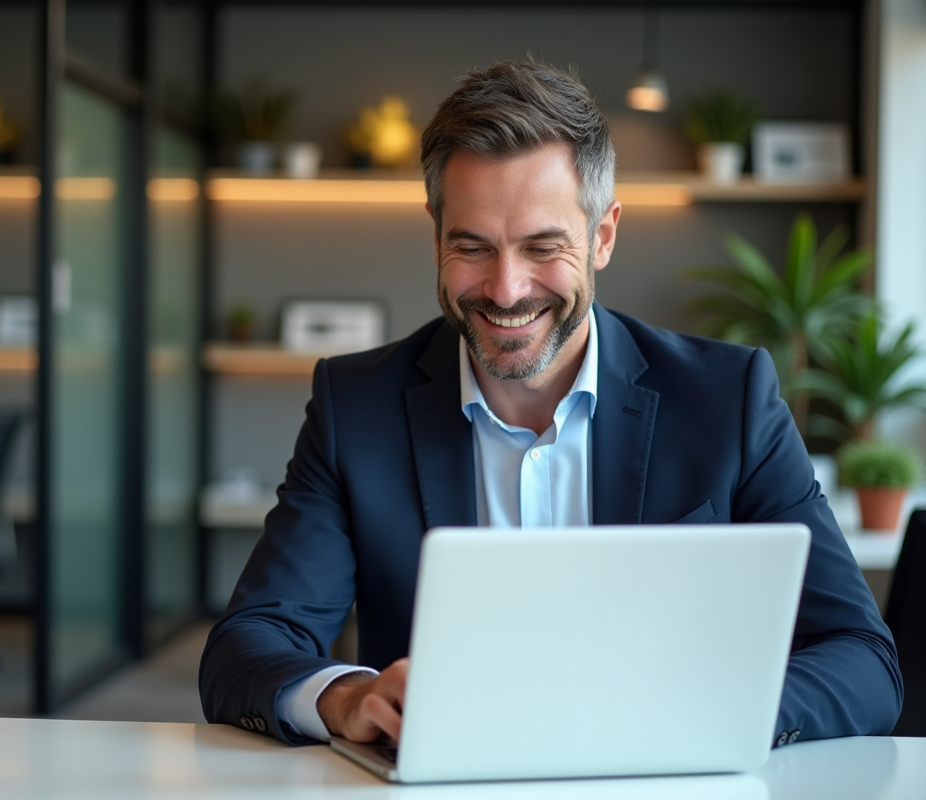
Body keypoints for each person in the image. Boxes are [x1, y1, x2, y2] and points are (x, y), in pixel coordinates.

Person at [199, 59, 902, 749]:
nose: (505, 290)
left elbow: (861, 658)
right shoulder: (357, 406)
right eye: (471, 247)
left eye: (542, 247)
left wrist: (704, 717)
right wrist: (349, 696)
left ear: (603, 235)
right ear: (435, 233)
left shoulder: (730, 399)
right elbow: (247, 648)